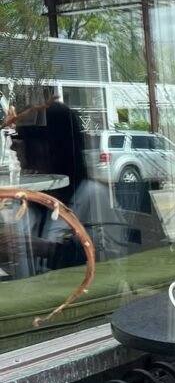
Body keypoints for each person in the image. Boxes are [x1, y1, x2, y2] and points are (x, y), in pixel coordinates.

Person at [3, 101, 123, 275]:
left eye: (20, 138)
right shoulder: (31, 203)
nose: (14, 147)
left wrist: (48, 250)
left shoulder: (93, 196)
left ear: (48, 145)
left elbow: (111, 265)